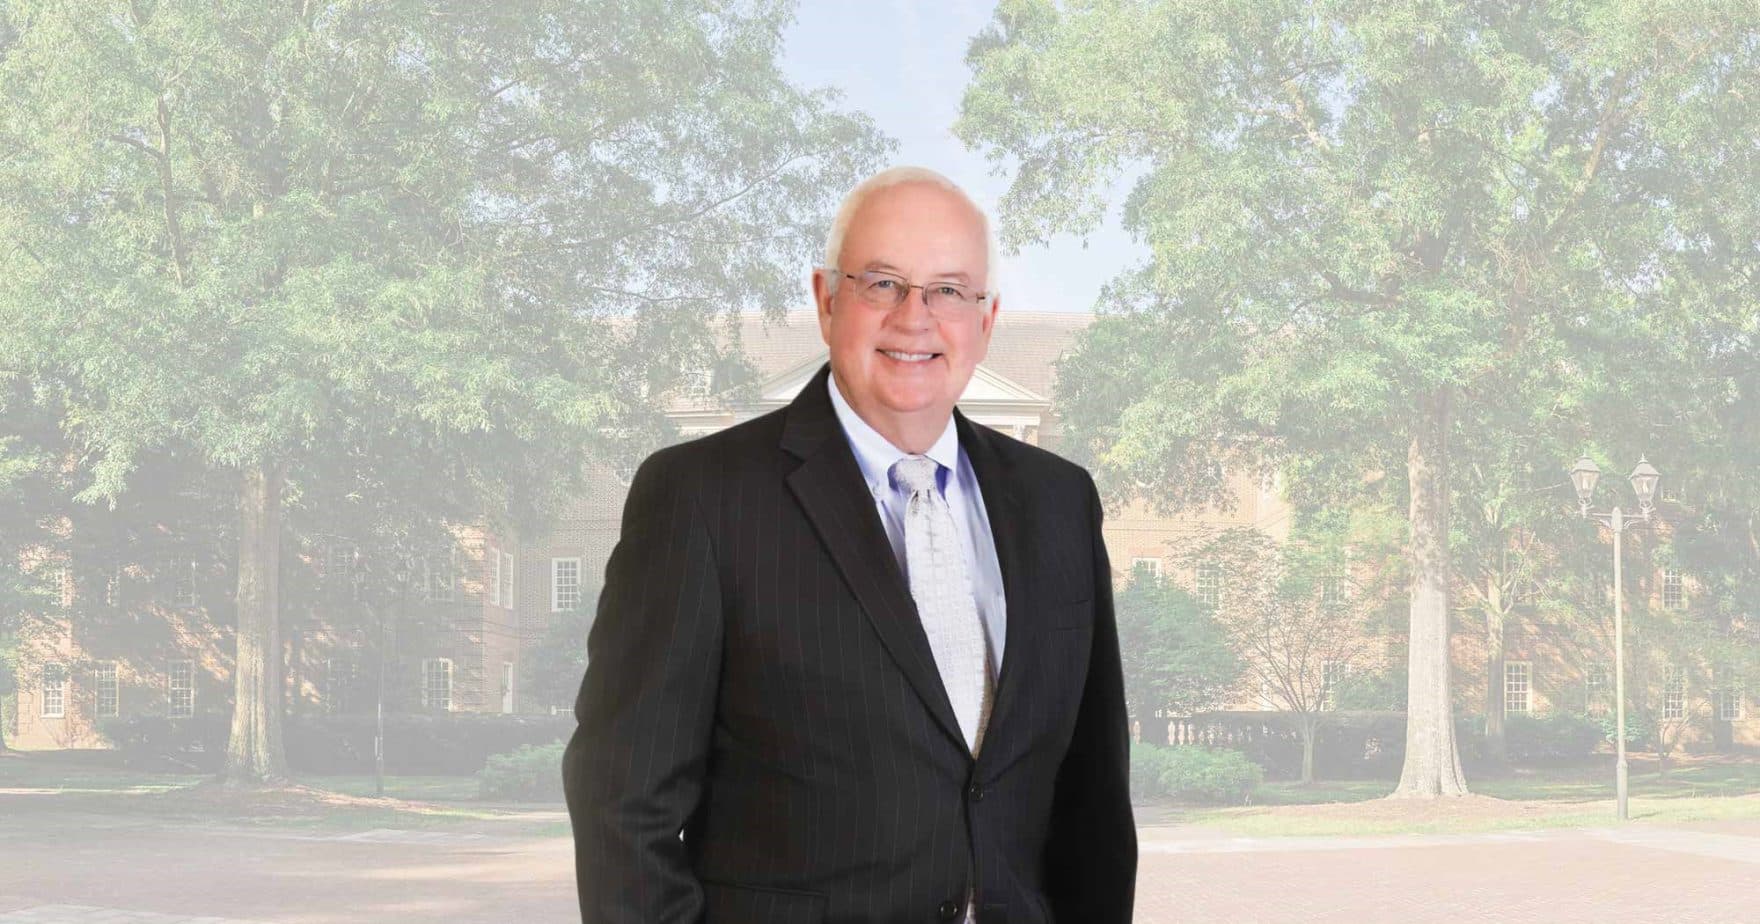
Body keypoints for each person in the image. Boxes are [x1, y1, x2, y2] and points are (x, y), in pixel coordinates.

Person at [562, 165, 1136, 924]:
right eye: (883, 284)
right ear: (827, 299)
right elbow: (619, 806)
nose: (915, 318)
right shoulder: (702, 498)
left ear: (985, 320)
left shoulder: (1060, 501)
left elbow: (1093, 797)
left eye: (949, 290)